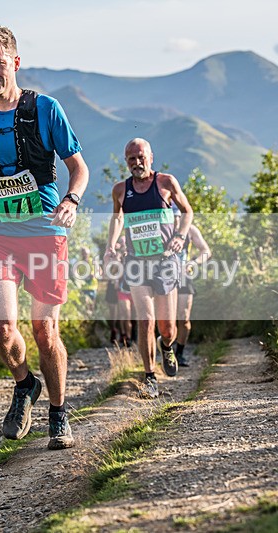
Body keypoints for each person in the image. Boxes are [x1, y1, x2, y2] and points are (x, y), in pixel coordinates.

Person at [0, 26, 89, 450]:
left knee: (44, 330)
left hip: (45, 233)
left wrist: (71, 200)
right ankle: (25, 384)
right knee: (3, 330)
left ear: (15, 61)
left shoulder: (46, 108)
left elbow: (78, 167)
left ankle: (59, 413)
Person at [104, 138, 192, 397]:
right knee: (146, 320)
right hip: (136, 263)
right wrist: (110, 245)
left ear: (151, 157)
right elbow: (117, 217)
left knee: (167, 327)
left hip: (165, 261)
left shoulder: (166, 182)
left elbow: (187, 212)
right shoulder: (120, 189)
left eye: (141, 157)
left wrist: (180, 236)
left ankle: (168, 347)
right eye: (132, 158)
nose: (137, 162)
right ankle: (150, 376)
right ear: (126, 161)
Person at [173, 206, 211, 366]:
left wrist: (194, 262)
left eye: (177, 217)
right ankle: (166, 350)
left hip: (184, 277)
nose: (175, 222)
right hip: (163, 277)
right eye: (172, 217)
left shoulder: (190, 230)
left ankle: (179, 353)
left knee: (184, 316)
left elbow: (206, 251)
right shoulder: (160, 229)